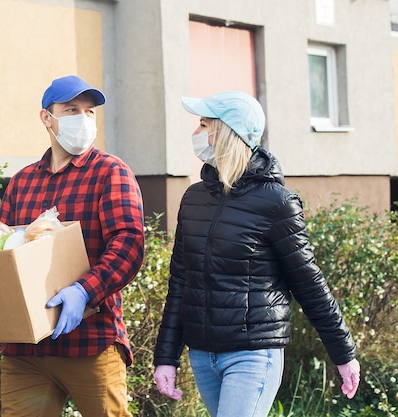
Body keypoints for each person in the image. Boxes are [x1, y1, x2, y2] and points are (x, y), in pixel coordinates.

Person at [152, 91, 361, 416]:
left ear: (224, 133)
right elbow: (181, 281)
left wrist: (343, 352)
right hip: (202, 354)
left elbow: (308, 282)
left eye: (204, 125)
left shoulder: (276, 202)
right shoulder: (193, 198)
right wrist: (166, 357)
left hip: (252, 354)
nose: (197, 134)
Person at [0, 75, 145, 417]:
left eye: (89, 112)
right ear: (47, 118)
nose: (83, 118)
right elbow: (2, 252)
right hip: (27, 352)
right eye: (72, 109)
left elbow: (128, 245)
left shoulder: (110, 172)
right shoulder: (22, 182)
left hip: (90, 344)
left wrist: (83, 290)